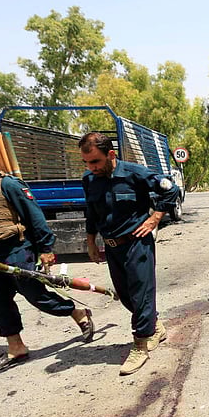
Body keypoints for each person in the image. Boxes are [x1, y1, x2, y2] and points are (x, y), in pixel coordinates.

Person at [0, 141, 94, 374]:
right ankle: (16, 347)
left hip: (17, 250)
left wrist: (45, 249)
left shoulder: (7, 184)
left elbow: (34, 216)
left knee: (37, 296)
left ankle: (77, 312)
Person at [79, 131, 179, 376]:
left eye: (96, 161)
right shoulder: (89, 180)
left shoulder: (135, 174)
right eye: (87, 163)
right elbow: (91, 212)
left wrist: (154, 219)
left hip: (137, 244)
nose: (91, 167)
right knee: (126, 296)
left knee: (141, 294)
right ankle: (154, 326)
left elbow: (171, 190)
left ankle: (140, 345)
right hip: (112, 247)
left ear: (111, 154)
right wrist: (91, 242)